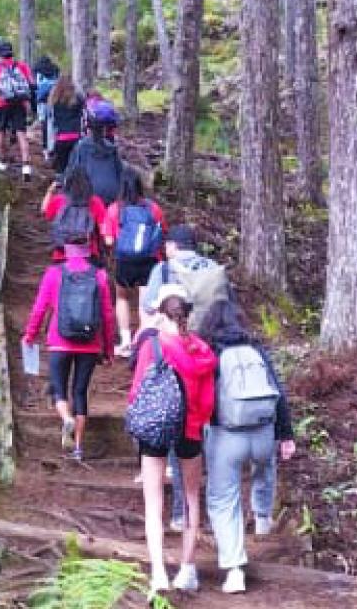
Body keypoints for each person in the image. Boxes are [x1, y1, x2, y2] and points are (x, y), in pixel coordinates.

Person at [197, 299, 296, 594]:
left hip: (226, 435)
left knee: (223, 499)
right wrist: (286, 435)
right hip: (263, 433)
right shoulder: (257, 351)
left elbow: (202, 396)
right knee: (265, 466)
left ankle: (235, 569)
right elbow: (278, 394)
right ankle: (263, 517)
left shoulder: (211, 352)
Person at [140, 224, 231, 530]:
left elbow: (148, 307)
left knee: (172, 423)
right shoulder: (216, 271)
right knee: (196, 431)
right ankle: (202, 512)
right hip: (206, 352)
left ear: (173, 246)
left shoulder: (164, 270)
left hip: (171, 352)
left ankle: (176, 512)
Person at [129, 284, 217, 594]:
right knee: (191, 497)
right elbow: (208, 399)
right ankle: (187, 568)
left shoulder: (152, 347)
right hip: (190, 429)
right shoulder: (202, 350)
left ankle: (158, 573)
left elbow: (137, 390)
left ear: (160, 312)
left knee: (153, 501)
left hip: (155, 428)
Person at [21, 230, 116, 462]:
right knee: (80, 392)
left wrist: (30, 335)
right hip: (90, 343)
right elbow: (108, 315)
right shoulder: (100, 276)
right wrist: (108, 348)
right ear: (89, 248)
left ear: (65, 248)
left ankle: (66, 419)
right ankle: (78, 449)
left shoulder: (54, 273)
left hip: (59, 341)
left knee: (59, 388)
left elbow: (40, 308)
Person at [102, 169, 167, 357]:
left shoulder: (115, 209)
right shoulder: (153, 208)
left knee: (122, 298)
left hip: (125, 261)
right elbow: (162, 232)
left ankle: (125, 341)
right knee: (144, 301)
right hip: (150, 260)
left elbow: (108, 241)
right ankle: (143, 342)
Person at [41, 165, 108, 265]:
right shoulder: (95, 202)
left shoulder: (60, 200)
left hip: (62, 254)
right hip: (89, 254)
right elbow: (104, 230)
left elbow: (44, 211)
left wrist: (50, 191)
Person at [0, 41, 35, 180]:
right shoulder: (22, 66)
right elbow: (31, 84)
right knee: (21, 134)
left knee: (1, 131)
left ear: (0, 54)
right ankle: (26, 167)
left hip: (3, 103)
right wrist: (30, 104)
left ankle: (1, 161)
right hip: (20, 103)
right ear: (12, 52)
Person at [65, 108, 123, 204]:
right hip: (112, 193)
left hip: (90, 195)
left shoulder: (81, 147)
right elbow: (120, 172)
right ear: (103, 130)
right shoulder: (112, 148)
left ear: (88, 129)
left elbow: (72, 171)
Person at [44, 76, 86, 178]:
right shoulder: (79, 99)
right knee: (76, 168)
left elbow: (50, 124)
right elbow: (83, 119)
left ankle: (61, 188)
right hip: (76, 138)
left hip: (60, 138)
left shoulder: (53, 102)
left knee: (61, 169)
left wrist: (49, 147)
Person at [32, 56, 60, 153]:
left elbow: (34, 84)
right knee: (53, 122)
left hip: (42, 99)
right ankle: (54, 145)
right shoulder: (55, 68)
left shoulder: (36, 68)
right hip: (54, 98)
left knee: (44, 122)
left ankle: (45, 146)